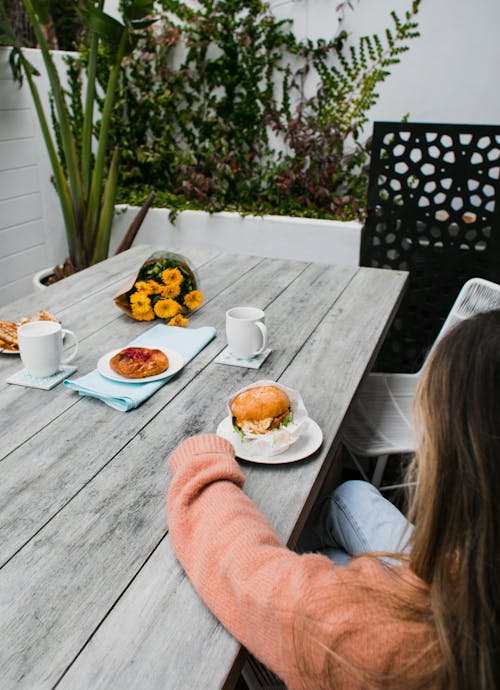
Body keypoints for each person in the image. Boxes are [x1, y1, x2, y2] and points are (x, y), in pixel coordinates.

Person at [166, 309, 500, 690]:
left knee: (313, 559)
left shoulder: (399, 643)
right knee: (351, 494)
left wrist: (201, 465)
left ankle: (314, 553)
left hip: (417, 616)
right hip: (454, 570)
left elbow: (249, 576)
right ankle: (317, 543)